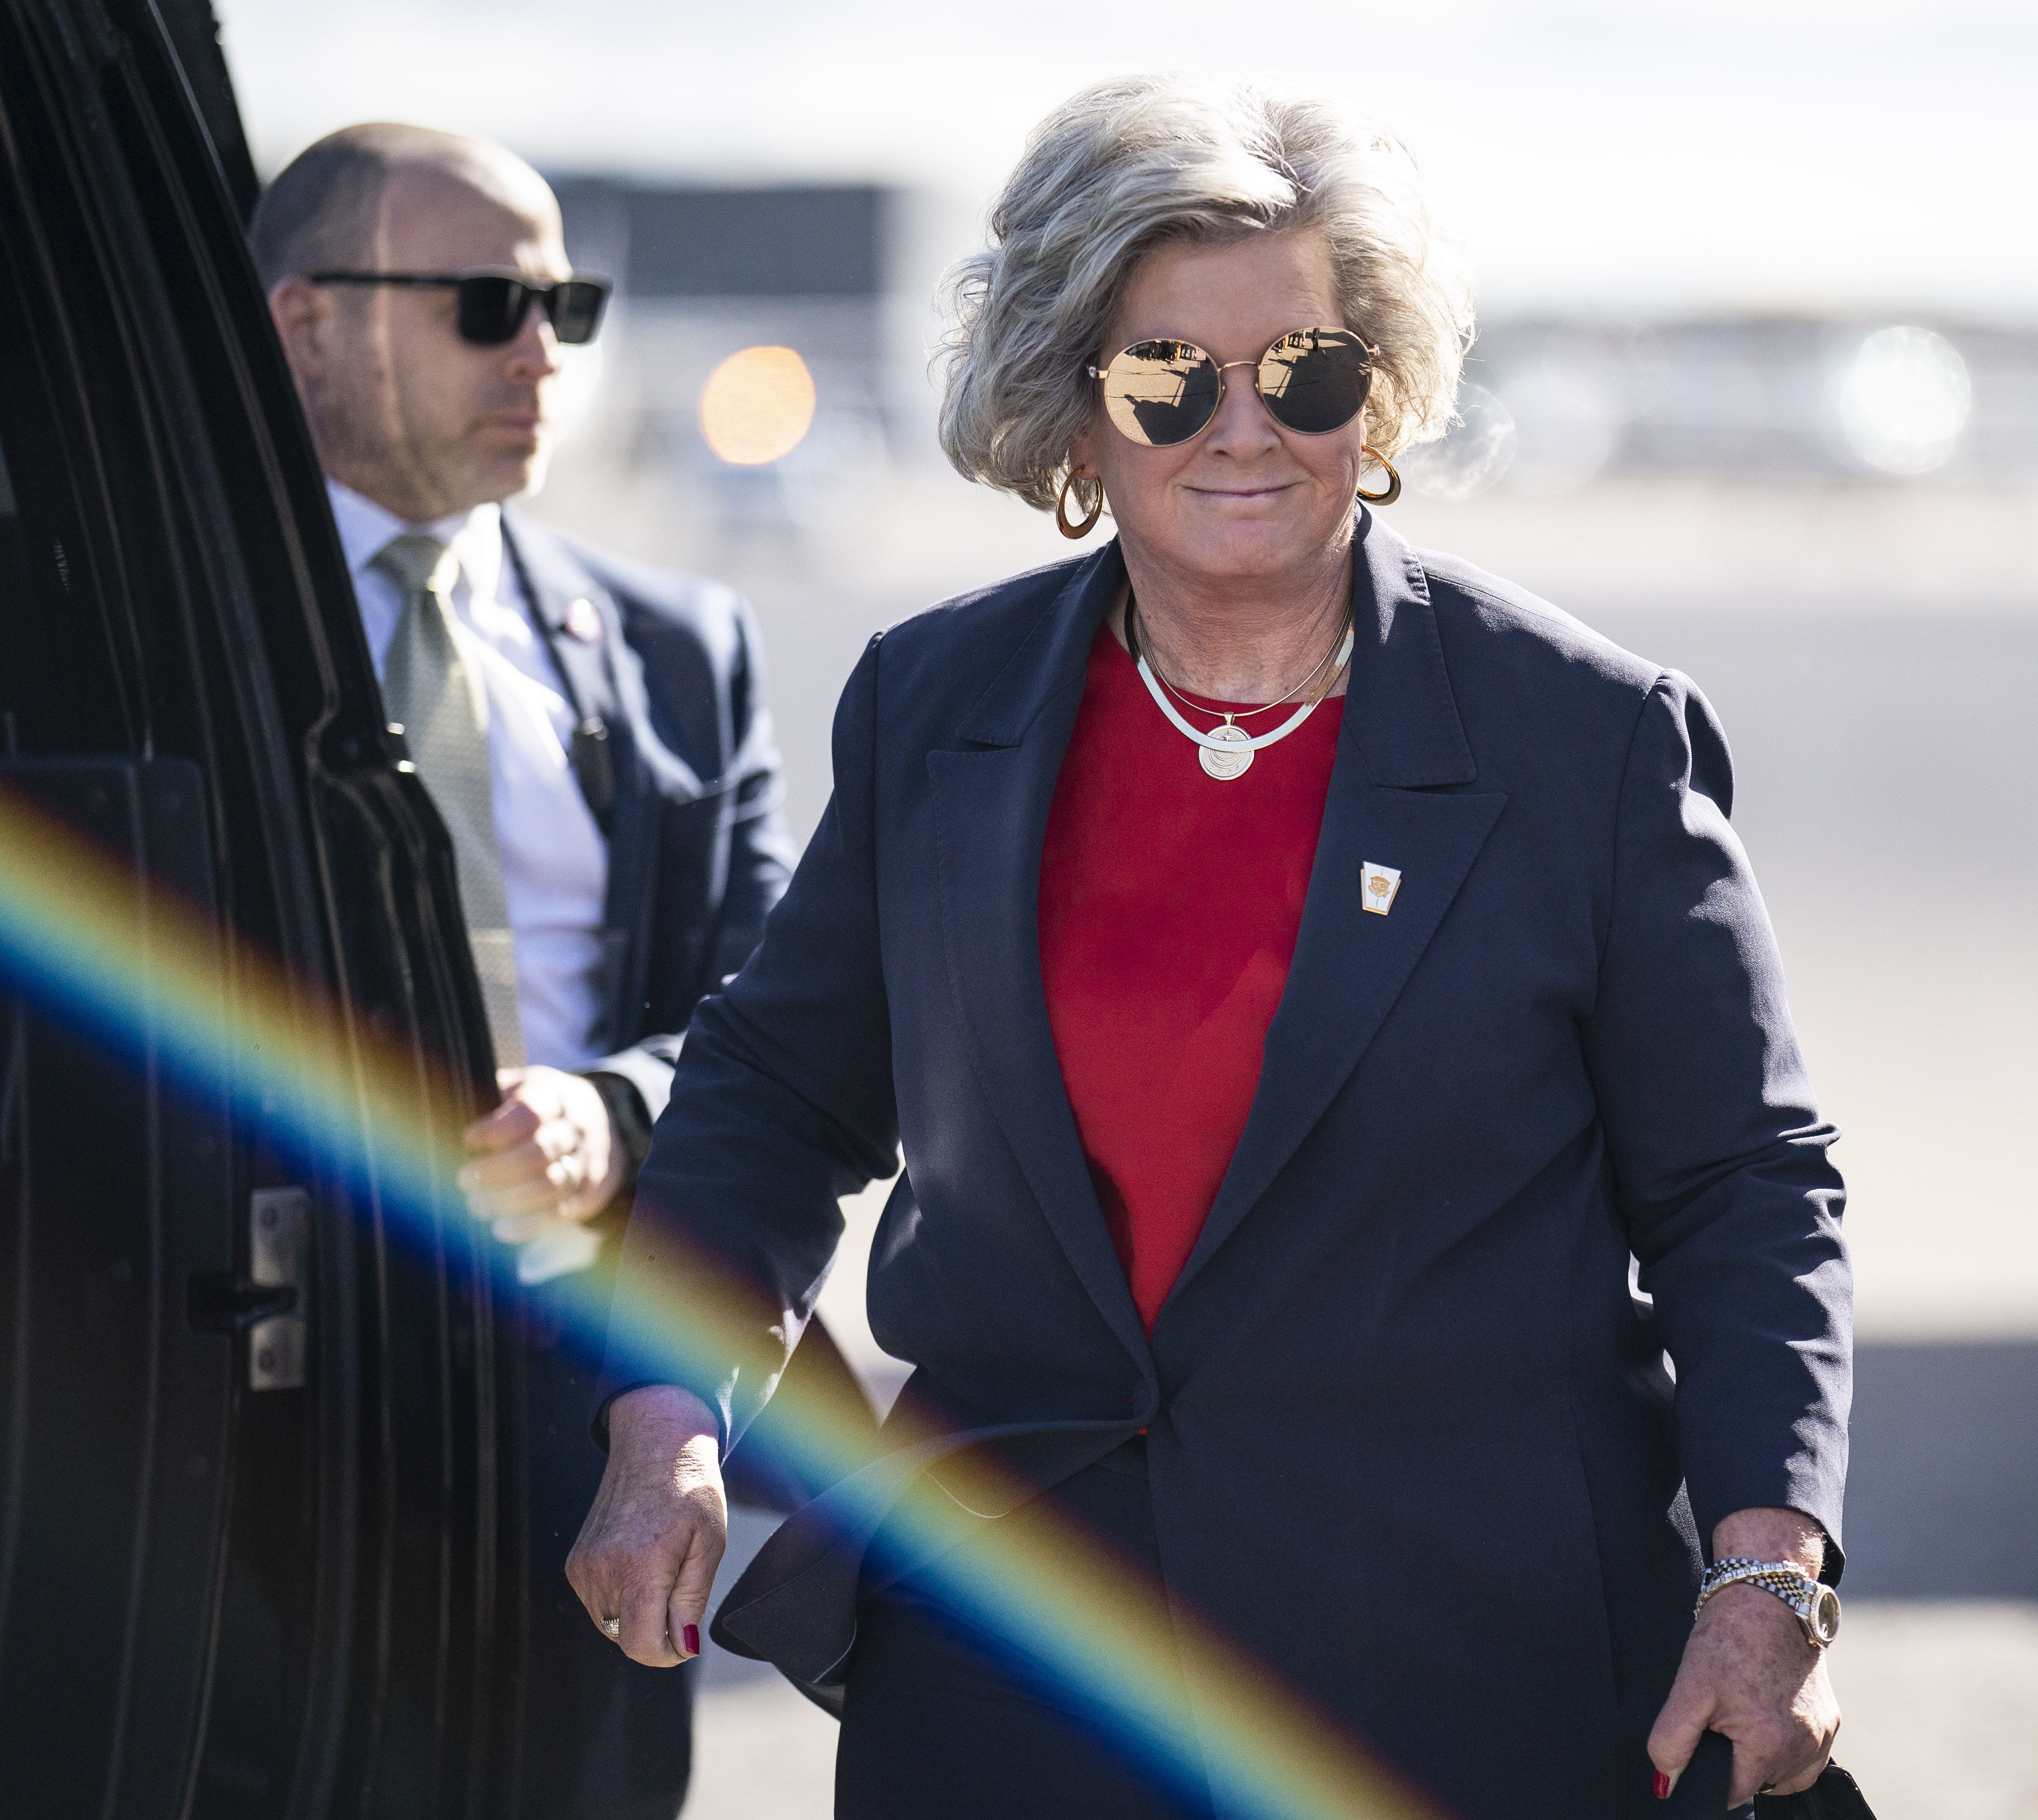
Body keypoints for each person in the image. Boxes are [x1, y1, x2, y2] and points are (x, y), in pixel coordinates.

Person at [570, 77, 1852, 1818]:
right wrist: (669, 1403)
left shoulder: (1588, 743)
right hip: (1013, 1653)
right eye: (1170, 377)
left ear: (1378, 397)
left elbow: (1744, 1182)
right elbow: (779, 1092)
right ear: (1074, 414)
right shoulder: (935, 707)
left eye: (1307, 372)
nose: (1245, 426)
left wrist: (1769, 1565)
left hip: (1469, 1664)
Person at [252, 124, 869, 1819]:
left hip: (585, 1410)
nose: (541, 353)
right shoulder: (151, 639)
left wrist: (612, 1108)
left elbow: (780, 1021)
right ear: (305, 323)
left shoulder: (676, 648)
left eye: (562, 306)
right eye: (484, 304)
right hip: (256, 1384)